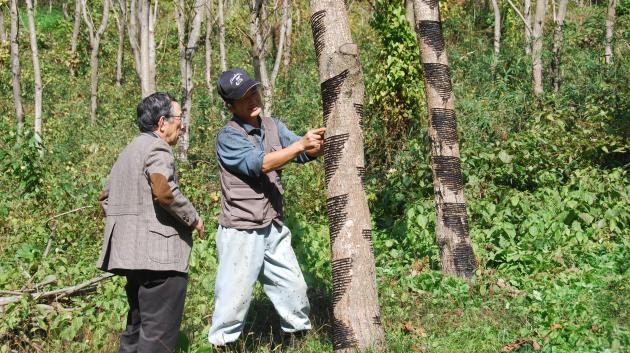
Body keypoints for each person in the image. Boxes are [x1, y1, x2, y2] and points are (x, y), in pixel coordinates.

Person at [208, 68, 325, 347]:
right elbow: (261, 163)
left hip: (272, 224)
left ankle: (297, 339)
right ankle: (224, 345)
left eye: (253, 92)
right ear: (230, 106)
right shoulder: (229, 136)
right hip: (241, 229)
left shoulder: (273, 126)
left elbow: (299, 151)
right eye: (243, 98)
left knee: (293, 287)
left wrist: (314, 145)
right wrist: (300, 146)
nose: (252, 100)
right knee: (233, 298)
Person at [96, 92, 205, 353]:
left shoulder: (128, 151)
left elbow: (105, 198)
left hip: (131, 259)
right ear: (162, 123)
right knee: (157, 338)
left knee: (135, 331)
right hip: (160, 261)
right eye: (179, 118)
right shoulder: (158, 148)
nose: (183, 124)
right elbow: (163, 190)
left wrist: (129, 232)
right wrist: (193, 219)